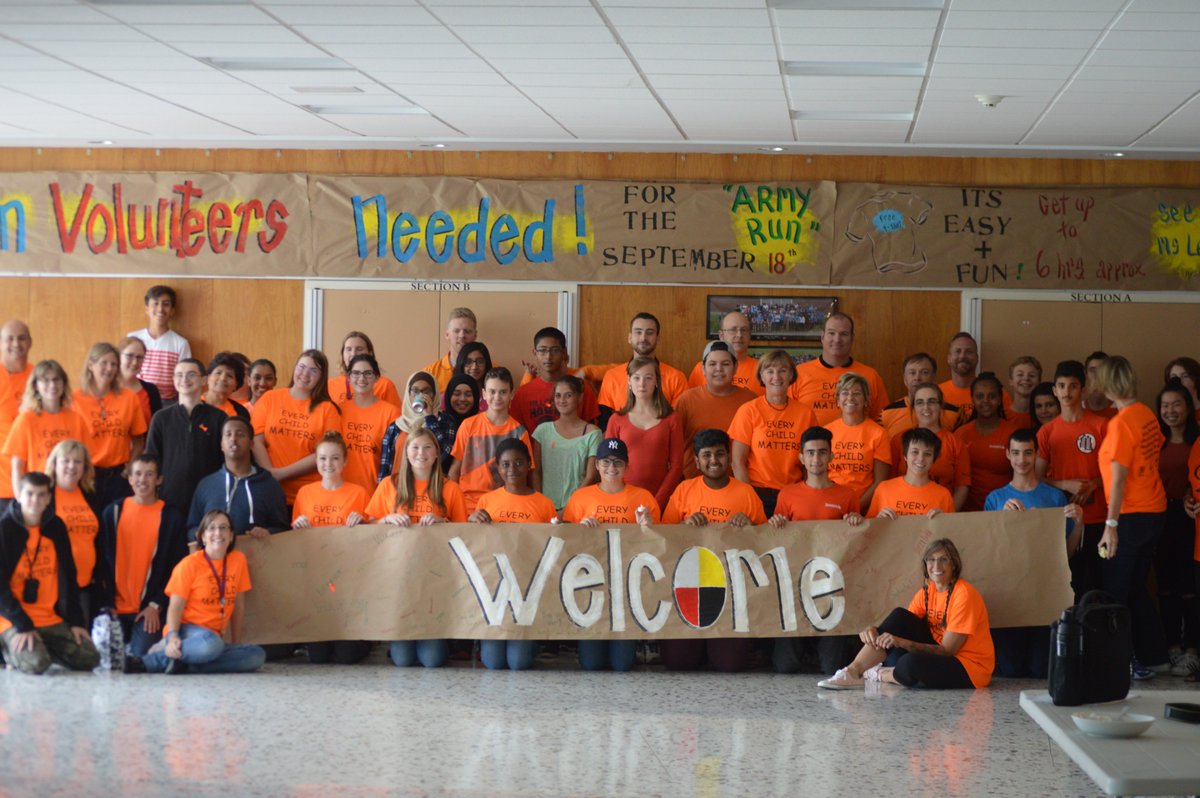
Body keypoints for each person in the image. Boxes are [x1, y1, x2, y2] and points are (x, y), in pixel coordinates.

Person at [818, 538, 994, 689]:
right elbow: (900, 626)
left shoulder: (964, 594)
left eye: (944, 560)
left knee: (910, 664)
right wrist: (875, 630)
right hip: (938, 655)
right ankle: (853, 672)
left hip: (968, 667)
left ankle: (880, 674)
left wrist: (901, 642)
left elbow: (948, 651)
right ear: (925, 564)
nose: (936, 566)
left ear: (954, 565)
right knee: (899, 617)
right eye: (931, 560)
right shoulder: (927, 591)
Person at [1093, 355, 1169, 679]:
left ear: (1107, 385)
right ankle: (1155, 656)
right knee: (1136, 587)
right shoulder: (1146, 414)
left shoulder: (1121, 423)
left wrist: (1111, 526)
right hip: (1155, 511)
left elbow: (1119, 479)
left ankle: (1121, 661)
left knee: (1116, 591)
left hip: (1131, 516)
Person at [984, 428, 1082, 678]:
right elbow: (989, 552)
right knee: (1010, 670)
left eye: (1028, 453)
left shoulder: (1054, 497)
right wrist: (1003, 519)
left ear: (1036, 454)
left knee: (1041, 669)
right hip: (1009, 592)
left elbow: (1066, 553)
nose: (1022, 459)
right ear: (1007, 454)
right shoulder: (995, 499)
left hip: (1043, 590)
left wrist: (1079, 524)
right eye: (1016, 453)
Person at [368, 426, 464, 669]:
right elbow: (367, 527)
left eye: (427, 448)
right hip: (399, 577)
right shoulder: (389, 485)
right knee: (402, 660)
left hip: (436, 579)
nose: (421, 453)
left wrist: (443, 522)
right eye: (415, 447)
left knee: (432, 660)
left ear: (436, 454)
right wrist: (385, 519)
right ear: (406, 453)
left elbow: (464, 535)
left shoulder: (450, 488)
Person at [768, 426, 860, 676]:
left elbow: (857, 542)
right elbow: (775, 541)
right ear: (801, 457)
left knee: (832, 668)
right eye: (810, 453)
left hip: (832, 586)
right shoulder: (787, 495)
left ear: (831, 456)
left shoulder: (847, 495)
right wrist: (776, 523)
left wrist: (854, 521)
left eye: (822, 452)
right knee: (785, 667)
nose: (816, 458)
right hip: (796, 583)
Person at [562, 437, 656, 672]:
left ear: (627, 466)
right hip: (590, 584)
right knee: (591, 664)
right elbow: (566, 542)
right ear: (596, 465)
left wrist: (648, 527)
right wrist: (580, 528)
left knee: (622, 664)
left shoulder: (643, 498)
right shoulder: (581, 497)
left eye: (618, 462)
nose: (611, 467)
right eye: (605, 461)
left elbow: (659, 546)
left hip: (627, 584)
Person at [141, 509, 266, 675]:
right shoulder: (189, 564)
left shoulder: (238, 560)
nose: (218, 533)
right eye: (211, 528)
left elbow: (238, 606)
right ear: (202, 536)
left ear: (231, 536)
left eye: (223, 528)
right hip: (187, 630)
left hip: (213, 638)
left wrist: (236, 644)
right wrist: (172, 636)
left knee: (256, 655)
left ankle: (184, 664)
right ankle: (154, 659)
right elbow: (175, 607)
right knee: (211, 644)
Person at [467, 439, 555, 671]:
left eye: (518, 463)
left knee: (518, 662)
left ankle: (531, 643)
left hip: (527, 591)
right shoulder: (487, 501)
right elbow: (476, 544)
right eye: (506, 464)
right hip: (494, 590)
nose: (512, 469)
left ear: (529, 464)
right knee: (493, 662)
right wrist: (471, 521)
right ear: (498, 467)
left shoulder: (544, 504)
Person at [0, 472, 100, 675]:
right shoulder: (5, 528)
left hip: (49, 618)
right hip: (13, 619)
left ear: (48, 498)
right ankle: (8, 649)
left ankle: (43, 647)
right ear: (19, 495)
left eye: (41, 495)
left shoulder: (56, 527)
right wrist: (23, 625)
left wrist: (76, 622)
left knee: (90, 658)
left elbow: (69, 576)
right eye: (29, 494)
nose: (35, 500)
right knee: (37, 664)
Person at [96, 454, 188, 657]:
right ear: (129, 478)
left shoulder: (171, 517)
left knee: (141, 656)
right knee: (108, 657)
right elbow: (100, 562)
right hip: (114, 608)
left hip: (148, 610)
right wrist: (106, 603)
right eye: (137, 474)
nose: (142, 480)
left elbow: (178, 569)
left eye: (149, 474)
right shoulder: (112, 513)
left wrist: (156, 604)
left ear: (159, 480)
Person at [291, 431, 371, 666]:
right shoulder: (305, 493)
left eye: (335, 458)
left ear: (345, 461)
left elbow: (371, 539)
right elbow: (295, 539)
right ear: (316, 461)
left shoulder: (359, 493)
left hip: (347, 578)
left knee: (347, 657)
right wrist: (299, 527)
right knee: (319, 658)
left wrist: (363, 523)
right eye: (323, 458)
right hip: (316, 577)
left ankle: (365, 640)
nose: (328, 464)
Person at [1036, 360, 1108, 602]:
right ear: (1054, 390)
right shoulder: (1047, 432)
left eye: (1073, 386)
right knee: (1069, 584)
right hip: (1064, 521)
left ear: (1083, 389)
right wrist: (1064, 484)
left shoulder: (1101, 426)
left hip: (1099, 518)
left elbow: (1117, 473)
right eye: (1061, 386)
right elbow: (1036, 477)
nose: (1066, 392)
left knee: (1099, 583)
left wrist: (1094, 484)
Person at [729, 349, 817, 516]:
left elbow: (810, 461)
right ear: (761, 376)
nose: (776, 377)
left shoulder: (805, 413)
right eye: (770, 371)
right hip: (758, 493)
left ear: (791, 375)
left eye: (782, 370)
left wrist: (808, 494)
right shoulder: (748, 411)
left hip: (794, 494)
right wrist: (750, 498)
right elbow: (737, 462)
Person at [250, 350, 341, 508]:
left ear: (322, 377)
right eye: (302, 367)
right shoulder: (270, 398)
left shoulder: (328, 409)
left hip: (308, 496)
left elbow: (326, 453)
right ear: (295, 368)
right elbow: (256, 440)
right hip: (269, 491)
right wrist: (270, 473)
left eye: (313, 370)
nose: (305, 374)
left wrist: (281, 474)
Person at [1155, 379, 1199, 677]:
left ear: (1189, 408)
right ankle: (1171, 645)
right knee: (1165, 585)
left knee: (1190, 587)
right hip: (1160, 515)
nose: (1170, 411)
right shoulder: (1155, 441)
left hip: (1190, 516)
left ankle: (1192, 649)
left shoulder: (1198, 441)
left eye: (1177, 404)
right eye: (1165, 405)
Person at [144, 359, 227, 517]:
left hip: (209, 498)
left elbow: (225, 460)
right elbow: (152, 459)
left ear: (203, 379)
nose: (184, 379)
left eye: (191, 374)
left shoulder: (218, 418)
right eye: (179, 375)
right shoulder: (161, 418)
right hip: (169, 498)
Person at [186, 416, 289, 543]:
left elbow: (283, 528)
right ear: (221, 444)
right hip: (215, 554)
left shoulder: (270, 485)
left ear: (251, 444)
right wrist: (199, 534)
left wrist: (268, 532)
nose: (233, 439)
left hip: (256, 554)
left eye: (240, 434)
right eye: (228, 434)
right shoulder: (206, 485)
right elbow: (192, 527)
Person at [73, 342, 148, 510]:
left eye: (114, 364)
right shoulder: (74, 399)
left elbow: (138, 440)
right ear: (91, 365)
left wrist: (128, 470)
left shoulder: (129, 398)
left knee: (116, 524)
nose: (109, 368)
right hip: (85, 477)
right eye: (104, 363)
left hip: (118, 477)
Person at [448, 367, 534, 513]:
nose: (497, 397)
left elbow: (525, 477)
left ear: (512, 394)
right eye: (492, 391)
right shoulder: (468, 426)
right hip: (468, 506)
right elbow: (454, 472)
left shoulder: (520, 432)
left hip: (503, 507)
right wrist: (453, 506)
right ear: (484, 394)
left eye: (503, 392)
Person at [604, 356, 685, 510]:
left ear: (657, 381)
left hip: (662, 498)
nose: (642, 383)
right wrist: (619, 498)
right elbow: (608, 464)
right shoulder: (616, 419)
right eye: (637, 378)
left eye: (648, 378)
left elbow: (677, 466)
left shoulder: (672, 418)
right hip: (623, 500)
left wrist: (657, 502)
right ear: (629, 381)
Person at [3, 359, 91, 500]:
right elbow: (17, 466)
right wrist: (21, 501)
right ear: (36, 386)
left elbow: (86, 461)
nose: (52, 385)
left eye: (56, 379)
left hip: (69, 493)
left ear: (63, 383)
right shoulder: (26, 420)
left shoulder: (76, 419)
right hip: (38, 495)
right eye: (45, 380)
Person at [674, 342, 755, 480]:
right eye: (712, 364)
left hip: (738, 483)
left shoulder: (750, 401)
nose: (719, 369)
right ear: (703, 369)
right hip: (694, 482)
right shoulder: (686, 400)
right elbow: (674, 445)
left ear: (735, 367)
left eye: (725, 364)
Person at [790, 312, 888, 424]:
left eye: (844, 334)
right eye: (831, 333)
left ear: (852, 338)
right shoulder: (798, 374)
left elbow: (882, 421)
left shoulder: (870, 376)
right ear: (822, 337)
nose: (837, 339)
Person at [44, 439, 103, 621]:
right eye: (66, 461)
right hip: (53, 587)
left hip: (85, 584)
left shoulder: (90, 494)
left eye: (78, 461)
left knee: (80, 635)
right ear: (54, 464)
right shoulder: (45, 496)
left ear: (85, 467)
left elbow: (98, 540)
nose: (72, 466)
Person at [888, 383, 969, 511]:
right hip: (903, 512)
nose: (926, 407)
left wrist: (947, 514)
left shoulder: (955, 443)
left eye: (931, 402)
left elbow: (962, 487)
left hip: (940, 513)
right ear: (913, 408)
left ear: (941, 405)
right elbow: (890, 483)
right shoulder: (899, 440)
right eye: (920, 402)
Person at [597, 312, 688, 422]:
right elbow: (604, 422)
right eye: (638, 332)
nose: (643, 338)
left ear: (658, 339)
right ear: (630, 337)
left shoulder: (676, 378)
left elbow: (678, 422)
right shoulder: (612, 376)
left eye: (650, 333)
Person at [532, 375, 600, 515]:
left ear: (580, 398)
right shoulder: (542, 431)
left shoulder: (593, 433)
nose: (562, 400)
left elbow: (591, 476)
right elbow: (536, 472)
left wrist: (569, 508)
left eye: (568, 395)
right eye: (558, 395)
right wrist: (541, 503)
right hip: (547, 509)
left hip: (579, 508)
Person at [511, 327, 600, 432]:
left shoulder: (582, 387)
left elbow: (591, 431)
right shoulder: (522, 393)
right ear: (535, 353)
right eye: (542, 350)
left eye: (555, 350)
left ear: (564, 353)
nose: (548, 356)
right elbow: (516, 433)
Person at [825, 372, 890, 510]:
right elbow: (818, 474)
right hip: (828, 504)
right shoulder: (826, 432)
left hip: (863, 507)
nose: (850, 397)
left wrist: (856, 508)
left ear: (866, 400)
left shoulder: (879, 434)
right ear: (837, 400)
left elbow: (880, 482)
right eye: (845, 393)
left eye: (856, 393)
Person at [955, 372, 1018, 512]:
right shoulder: (961, 434)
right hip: (967, 512)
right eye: (979, 396)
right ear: (972, 399)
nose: (986, 401)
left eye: (992, 396)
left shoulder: (1012, 434)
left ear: (1000, 399)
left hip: (1004, 510)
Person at [338, 354, 400, 493]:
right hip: (342, 494)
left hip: (375, 493)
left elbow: (396, 460)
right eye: (356, 373)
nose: (361, 378)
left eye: (367, 373)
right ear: (348, 377)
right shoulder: (339, 410)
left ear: (377, 377)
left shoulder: (391, 413)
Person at [868, 428, 955, 518]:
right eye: (915, 452)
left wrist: (943, 521)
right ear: (905, 456)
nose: (921, 459)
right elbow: (869, 525)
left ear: (934, 459)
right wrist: (878, 519)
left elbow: (952, 527)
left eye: (927, 454)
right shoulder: (883, 489)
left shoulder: (944, 495)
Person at [127, 284, 191, 405]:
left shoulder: (181, 343)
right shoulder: (133, 339)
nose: (160, 309)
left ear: (172, 310)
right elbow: (124, 371)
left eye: (166, 304)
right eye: (155, 303)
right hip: (137, 398)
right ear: (147, 308)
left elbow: (185, 377)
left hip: (167, 403)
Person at [881, 352, 962, 439]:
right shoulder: (886, 413)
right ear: (905, 379)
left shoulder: (955, 413)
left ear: (934, 378)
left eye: (924, 372)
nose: (917, 378)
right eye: (912, 373)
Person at [377, 371, 438, 481]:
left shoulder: (444, 422)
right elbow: (385, 465)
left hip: (430, 487)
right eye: (415, 391)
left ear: (434, 394)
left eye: (426, 391)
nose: (420, 396)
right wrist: (383, 487)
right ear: (408, 394)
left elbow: (443, 453)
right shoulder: (396, 426)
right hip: (398, 486)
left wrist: (430, 418)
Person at [687, 311, 762, 395]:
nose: (739, 335)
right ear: (721, 336)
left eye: (744, 330)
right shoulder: (701, 369)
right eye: (733, 330)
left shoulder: (762, 369)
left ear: (749, 335)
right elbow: (692, 400)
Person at [0, 320, 34, 507]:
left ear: (30, 343)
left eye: (21, 338)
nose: (16, 344)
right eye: (10, 339)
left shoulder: (39, 377)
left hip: (35, 485)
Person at [327, 330, 403, 407]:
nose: (353, 354)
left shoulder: (385, 385)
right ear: (342, 355)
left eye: (359, 349)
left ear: (370, 353)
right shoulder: (329, 386)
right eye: (348, 349)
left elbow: (396, 414)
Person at [423, 373, 479, 476]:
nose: (462, 399)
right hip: (439, 481)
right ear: (448, 396)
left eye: (468, 394)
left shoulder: (481, 423)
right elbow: (444, 455)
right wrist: (430, 420)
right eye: (457, 394)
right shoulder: (442, 421)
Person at [424, 307, 478, 392]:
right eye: (456, 331)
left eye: (467, 331)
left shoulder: (491, 372)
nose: (462, 336)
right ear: (447, 334)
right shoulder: (430, 374)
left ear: (475, 335)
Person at [117, 336, 162, 427]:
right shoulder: (104, 389)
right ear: (118, 356)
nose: (135, 362)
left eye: (140, 357)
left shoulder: (151, 390)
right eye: (129, 356)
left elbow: (158, 428)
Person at [939, 332, 981, 420]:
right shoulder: (936, 394)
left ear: (977, 358)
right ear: (949, 358)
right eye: (958, 351)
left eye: (969, 352)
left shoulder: (994, 393)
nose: (962, 356)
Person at [202, 352, 250, 419]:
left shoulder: (240, 412)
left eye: (229, 376)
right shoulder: (193, 404)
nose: (223, 378)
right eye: (218, 373)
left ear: (236, 385)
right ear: (208, 378)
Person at [1006, 356, 1040, 427]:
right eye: (1020, 375)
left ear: (1039, 382)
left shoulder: (1043, 416)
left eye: (1032, 375)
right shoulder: (1001, 416)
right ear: (1011, 381)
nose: (1026, 378)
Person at [1083, 350, 1117, 418]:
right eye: (1093, 370)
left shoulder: (1120, 409)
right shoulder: (1078, 409)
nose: (1097, 375)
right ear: (1086, 375)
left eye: (1102, 370)